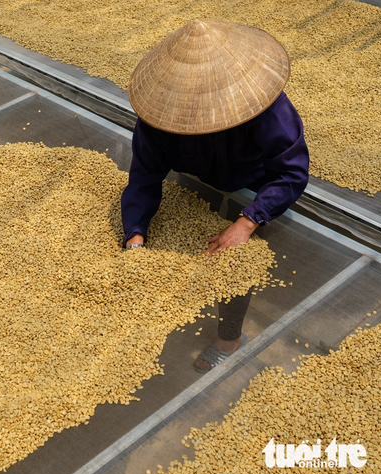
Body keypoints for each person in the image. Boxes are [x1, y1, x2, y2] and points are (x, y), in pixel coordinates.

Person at [121, 19, 309, 373]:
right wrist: (135, 233)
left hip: (256, 185)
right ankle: (177, 314)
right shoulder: (160, 117)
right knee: (187, 250)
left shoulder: (266, 107)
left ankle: (229, 337)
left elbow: (291, 172)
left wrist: (249, 220)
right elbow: (145, 174)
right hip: (201, 177)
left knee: (233, 260)